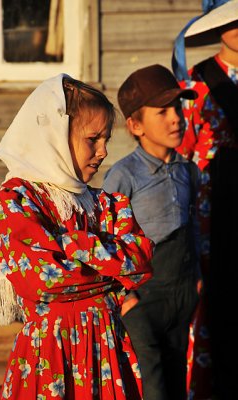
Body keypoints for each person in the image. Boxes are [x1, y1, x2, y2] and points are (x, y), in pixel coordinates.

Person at [0, 73, 155, 400]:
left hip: (107, 351)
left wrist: (68, 242)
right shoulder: (16, 201)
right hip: (51, 357)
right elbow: (41, 280)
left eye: (107, 139)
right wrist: (111, 271)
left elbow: (140, 260)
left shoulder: (108, 203)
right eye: (92, 139)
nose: (104, 151)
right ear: (53, 136)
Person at [103, 64, 201, 400]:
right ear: (135, 125)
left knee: (176, 374)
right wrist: (124, 296)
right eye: (162, 111)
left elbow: (194, 225)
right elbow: (106, 239)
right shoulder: (123, 176)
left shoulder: (189, 170)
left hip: (183, 292)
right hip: (143, 298)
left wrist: (197, 278)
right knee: (152, 381)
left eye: (177, 107)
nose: (176, 118)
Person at [172, 1, 238, 398]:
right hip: (215, 217)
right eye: (229, 19)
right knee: (217, 306)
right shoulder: (196, 83)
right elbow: (181, 156)